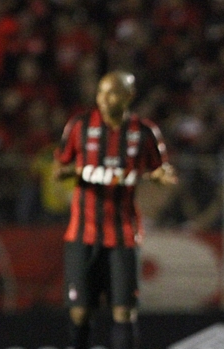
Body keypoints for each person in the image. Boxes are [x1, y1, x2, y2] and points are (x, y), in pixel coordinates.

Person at [53, 70, 177, 349]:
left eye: (111, 92)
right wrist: (80, 171)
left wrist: (160, 176)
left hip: (123, 234)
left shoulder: (144, 132)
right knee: (80, 312)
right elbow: (58, 169)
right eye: (100, 92)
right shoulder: (79, 125)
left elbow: (159, 168)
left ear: (129, 96)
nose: (103, 98)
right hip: (81, 235)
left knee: (124, 311)